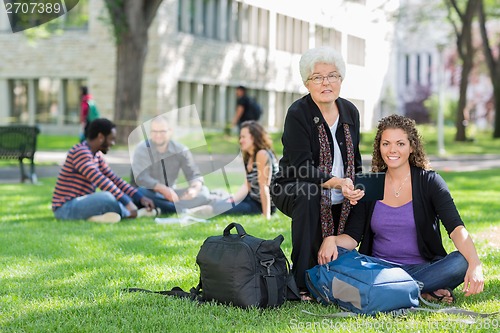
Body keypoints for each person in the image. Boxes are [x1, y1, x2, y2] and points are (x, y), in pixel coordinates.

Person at [344, 114, 484, 303]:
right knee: (340, 256)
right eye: (386, 143)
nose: (392, 150)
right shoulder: (370, 183)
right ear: (379, 147)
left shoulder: (429, 182)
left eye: (400, 143)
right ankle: (422, 291)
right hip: (378, 269)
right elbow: (353, 236)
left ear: (412, 147)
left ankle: (400, 290)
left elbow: (456, 228)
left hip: (424, 268)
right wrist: (332, 242)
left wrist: (475, 264)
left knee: (461, 261)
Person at [270, 46, 365, 298]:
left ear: (341, 80)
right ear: (307, 83)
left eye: (332, 75)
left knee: (368, 198)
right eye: (318, 77)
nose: (326, 82)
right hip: (293, 185)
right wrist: (337, 183)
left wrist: (355, 187)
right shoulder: (298, 113)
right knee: (309, 193)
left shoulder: (350, 112)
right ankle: (302, 283)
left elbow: (355, 161)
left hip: (338, 189)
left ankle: (359, 266)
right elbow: (300, 166)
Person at [52, 118, 157, 223]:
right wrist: (127, 203)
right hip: (65, 208)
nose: (113, 143)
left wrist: (139, 197)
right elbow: (101, 180)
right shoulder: (80, 152)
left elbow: (114, 179)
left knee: (121, 194)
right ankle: (132, 212)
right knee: (108, 197)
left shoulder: (97, 155)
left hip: (81, 203)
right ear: (101, 137)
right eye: (111, 139)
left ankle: (97, 218)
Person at [187, 121, 278, 219]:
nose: (240, 140)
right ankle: (189, 211)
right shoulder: (249, 156)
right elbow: (247, 184)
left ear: (254, 137)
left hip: (261, 205)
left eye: (243, 137)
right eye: (240, 137)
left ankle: (190, 213)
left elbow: (264, 186)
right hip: (251, 198)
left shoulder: (262, 154)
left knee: (217, 209)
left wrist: (266, 215)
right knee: (220, 204)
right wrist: (232, 200)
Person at [131, 116, 211, 214]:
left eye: (162, 131)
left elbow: (193, 173)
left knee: (204, 191)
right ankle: (185, 210)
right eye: (154, 131)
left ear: (170, 131)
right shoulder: (142, 149)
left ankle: (162, 209)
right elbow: (141, 178)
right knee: (141, 191)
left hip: (173, 193)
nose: (158, 135)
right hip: (150, 192)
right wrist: (163, 189)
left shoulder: (180, 150)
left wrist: (194, 189)